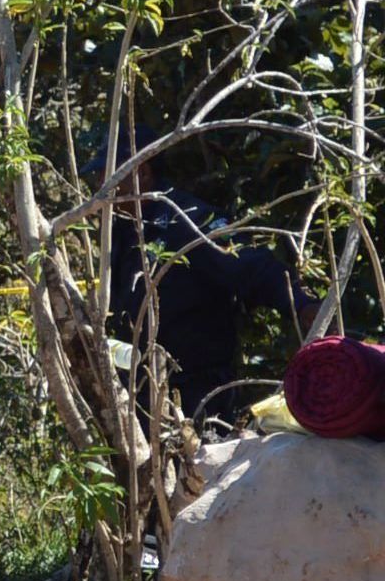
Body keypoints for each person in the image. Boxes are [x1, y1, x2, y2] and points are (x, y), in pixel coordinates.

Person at [100, 146, 313, 418]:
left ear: (141, 173)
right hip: (142, 386)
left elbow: (251, 266)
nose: (100, 186)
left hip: (197, 390)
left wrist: (302, 304)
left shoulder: (188, 221)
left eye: (108, 176)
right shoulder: (121, 229)